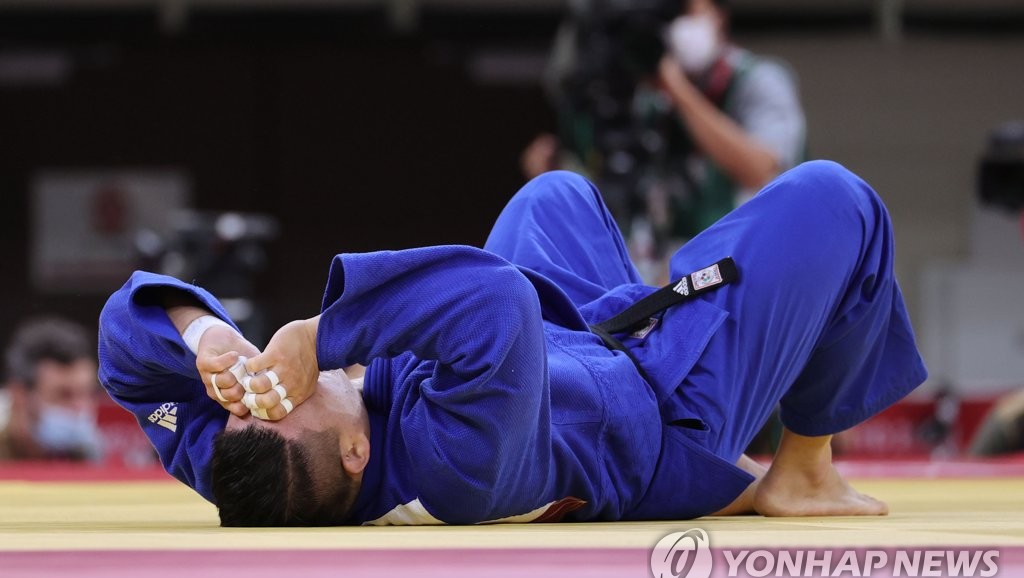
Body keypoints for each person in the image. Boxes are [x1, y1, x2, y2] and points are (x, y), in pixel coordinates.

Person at [98, 160, 926, 526]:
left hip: (566, 354)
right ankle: (804, 470)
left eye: (250, 394)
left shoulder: (248, 468)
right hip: (663, 408)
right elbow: (493, 301)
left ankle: (649, 300)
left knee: (552, 195)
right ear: (356, 454)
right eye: (293, 391)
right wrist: (318, 335)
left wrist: (203, 335)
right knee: (835, 200)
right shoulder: (455, 467)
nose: (270, 384)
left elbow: (125, 355)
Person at [525, 0, 806, 282]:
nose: (676, 24)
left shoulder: (758, 79)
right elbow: (620, 186)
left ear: (719, 16)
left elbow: (761, 170)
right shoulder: (648, 98)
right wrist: (557, 174)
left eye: (687, 11)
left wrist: (675, 87)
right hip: (673, 273)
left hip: (755, 271)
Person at [1, 318, 104, 462]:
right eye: (64, 395)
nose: (80, 407)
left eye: (87, 393)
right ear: (19, 396)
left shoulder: (95, 459)